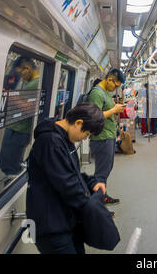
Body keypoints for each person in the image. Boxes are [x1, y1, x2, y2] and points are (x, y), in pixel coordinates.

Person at [26, 103, 107, 254]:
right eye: (87, 134)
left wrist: (92, 183)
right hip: (51, 225)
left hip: (65, 219)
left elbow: (72, 173)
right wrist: (93, 211)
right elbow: (66, 185)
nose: (84, 138)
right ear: (78, 123)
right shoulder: (50, 142)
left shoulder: (64, 139)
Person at [88, 69, 126, 205]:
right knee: (101, 174)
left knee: (105, 170)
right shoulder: (97, 93)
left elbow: (104, 111)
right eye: (115, 85)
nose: (115, 88)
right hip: (101, 138)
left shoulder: (105, 93)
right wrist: (114, 110)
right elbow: (94, 117)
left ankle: (102, 196)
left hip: (107, 136)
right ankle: (97, 206)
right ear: (109, 79)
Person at [0, 56, 40, 175]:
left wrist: (7, 94)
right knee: (8, 162)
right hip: (16, 130)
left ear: (27, 68)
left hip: (18, 131)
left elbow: (29, 108)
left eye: (21, 72)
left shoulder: (35, 84)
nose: (21, 76)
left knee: (9, 166)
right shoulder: (30, 83)